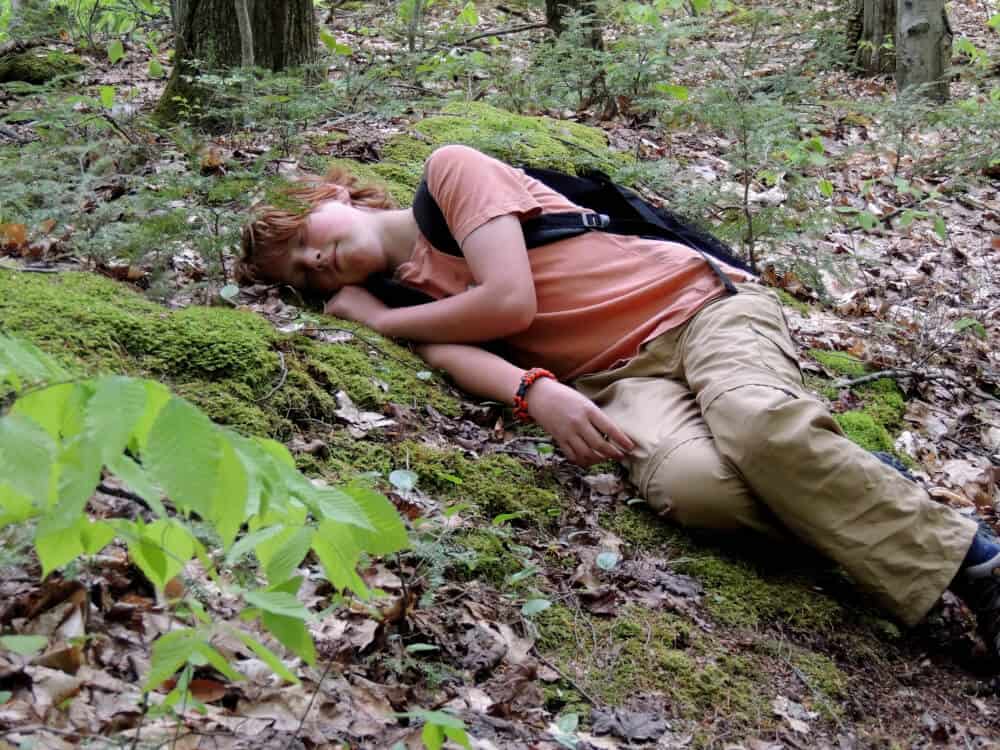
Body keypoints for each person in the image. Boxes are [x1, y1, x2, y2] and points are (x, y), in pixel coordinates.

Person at [238, 143, 1000, 657]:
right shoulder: (409, 302)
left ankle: (979, 567)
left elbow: (507, 303)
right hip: (620, 384)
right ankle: (853, 479)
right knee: (693, 488)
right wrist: (537, 393)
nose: (315, 262)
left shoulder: (450, 174)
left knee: (759, 425)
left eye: (304, 236)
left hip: (697, 309)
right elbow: (459, 354)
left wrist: (380, 322)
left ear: (334, 193)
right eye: (304, 277)